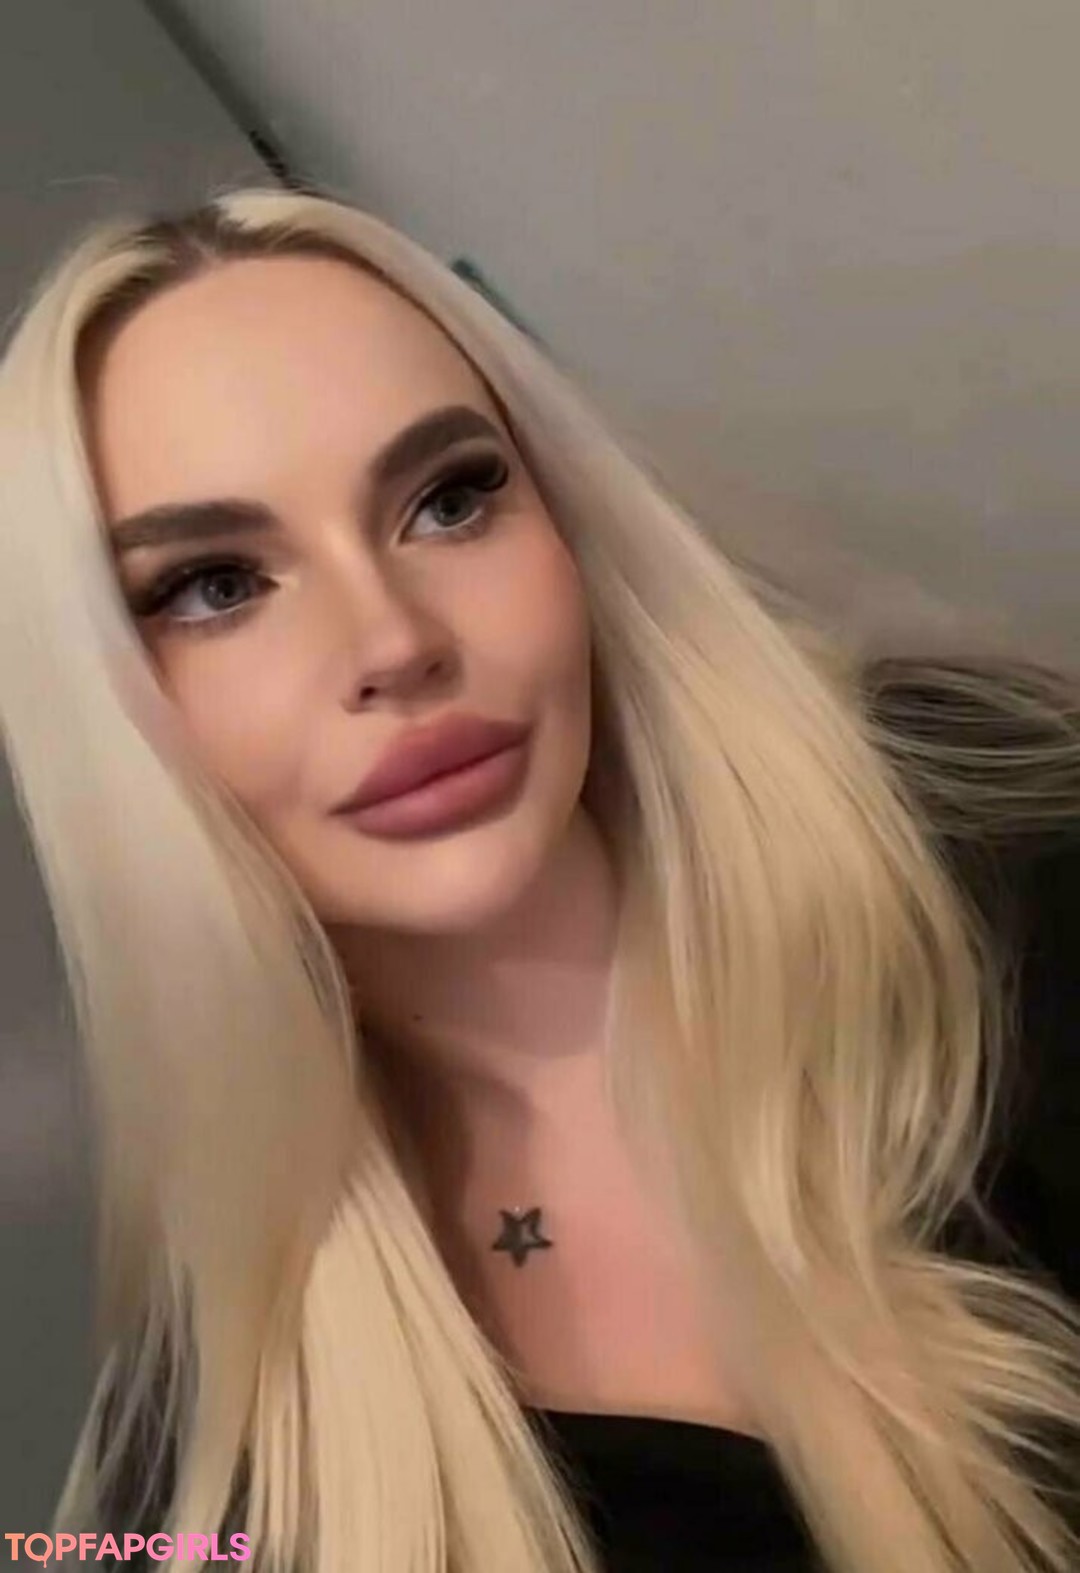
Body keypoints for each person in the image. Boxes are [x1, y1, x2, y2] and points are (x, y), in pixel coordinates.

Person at [0, 184, 1077, 1573]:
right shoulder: (218, 1469)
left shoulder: (1005, 832)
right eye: (215, 586)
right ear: (97, 718)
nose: (394, 639)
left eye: (449, 501)